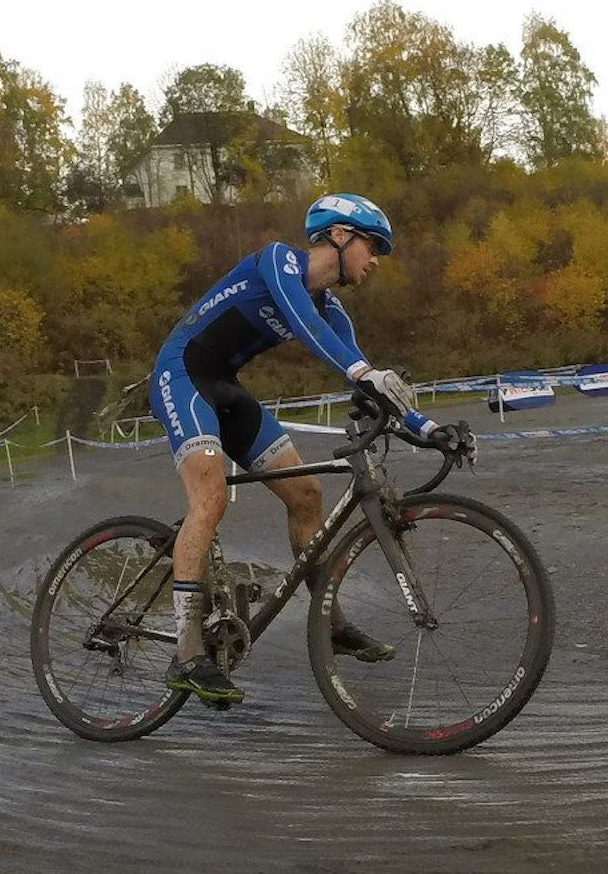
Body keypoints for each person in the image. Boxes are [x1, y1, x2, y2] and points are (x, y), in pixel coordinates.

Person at [147, 193, 475, 705]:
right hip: (182, 374)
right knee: (209, 498)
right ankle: (186, 651)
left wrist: (430, 428)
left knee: (307, 494)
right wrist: (363, 373)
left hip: (226, 387)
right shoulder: (279, 261)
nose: (374, 261)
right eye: (372, 246)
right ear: (339, 236)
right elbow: (307, 325)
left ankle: (332, 624)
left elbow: (364, 375)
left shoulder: (333, 311)